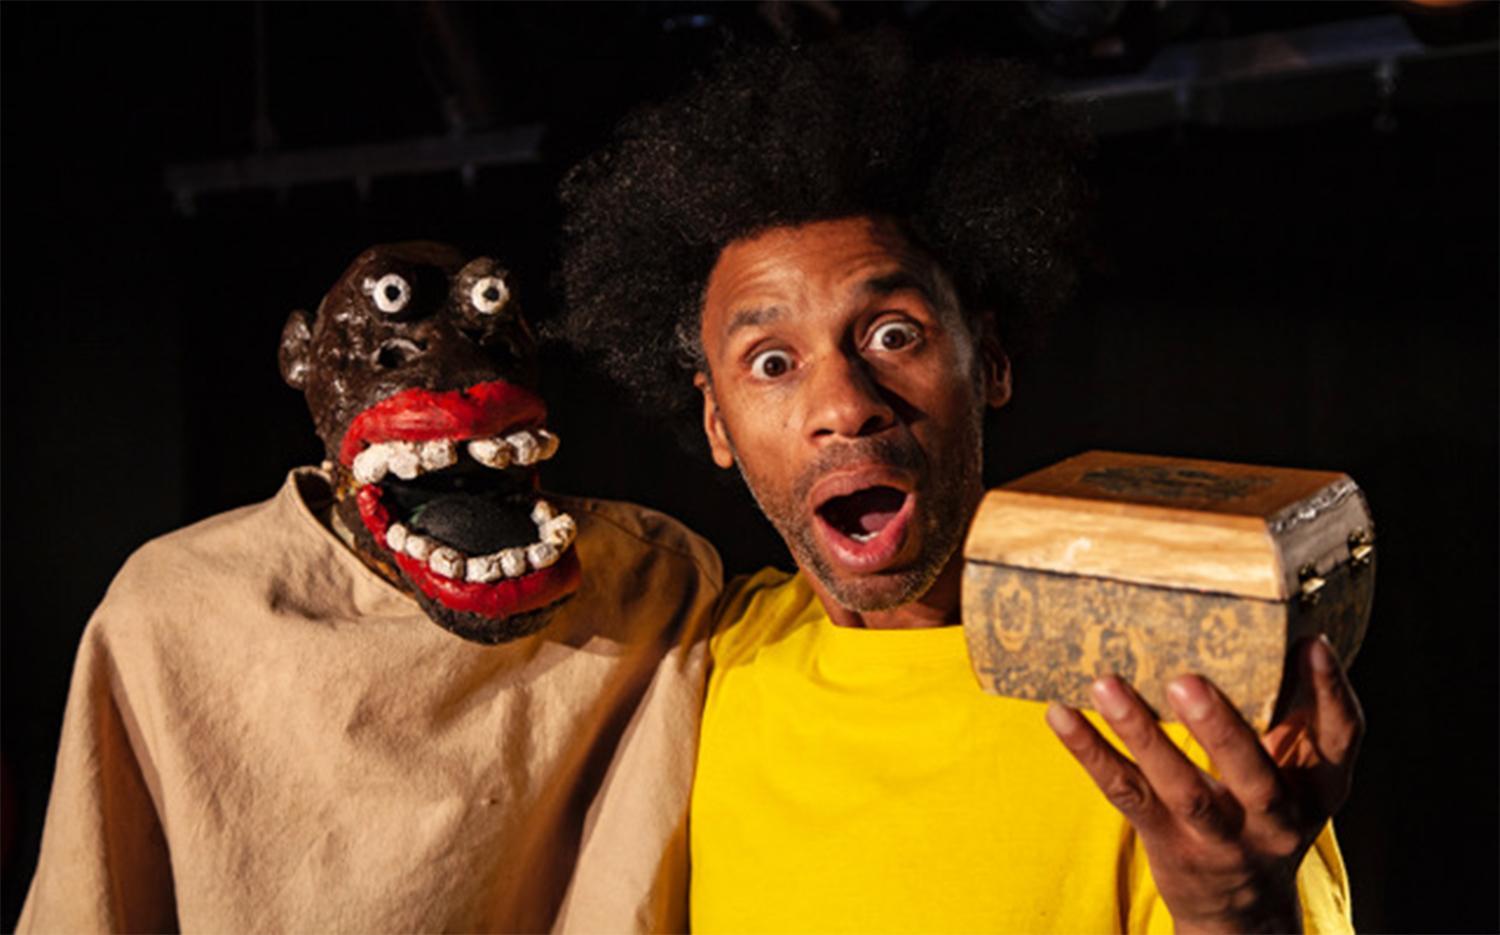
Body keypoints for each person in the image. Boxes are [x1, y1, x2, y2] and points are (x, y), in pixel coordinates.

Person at [558, 34, 1359, 932]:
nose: (845, 405)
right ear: (717, 421)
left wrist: (1236, 912)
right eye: (773, 361)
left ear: (991, 359)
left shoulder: (1164, 703)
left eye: (893, 335)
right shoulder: (692, 671)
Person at [18, 242, 720, 933]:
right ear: (299, 357)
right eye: (395, 313)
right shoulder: (169, 609)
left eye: (486, 314)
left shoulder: (655, 583)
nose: (446, 355)